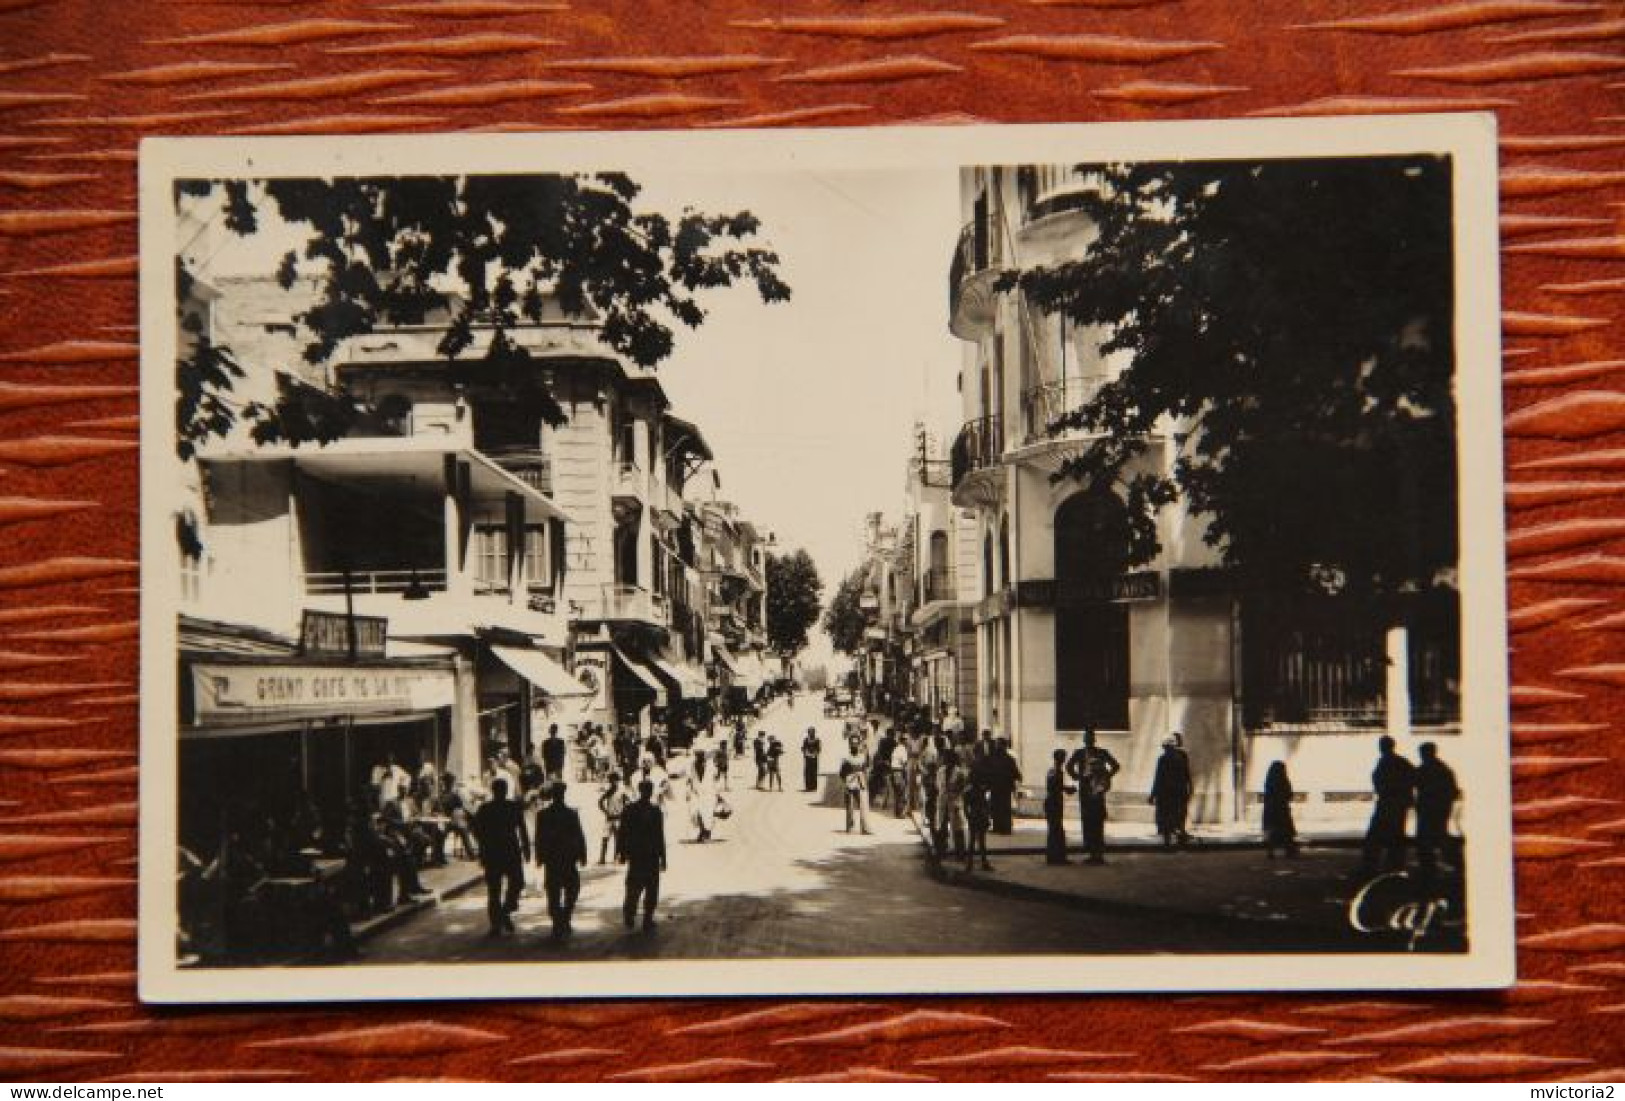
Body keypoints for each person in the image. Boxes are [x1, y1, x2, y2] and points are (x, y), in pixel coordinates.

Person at [470, 777, 530, 937]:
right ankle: (496, 923)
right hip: (501, 850)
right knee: (495, 890)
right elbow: (476, 830)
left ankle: (504, 913)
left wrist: (527, 848)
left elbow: (522, 828)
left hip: (501, 851)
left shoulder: (510, 807)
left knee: (516, 883)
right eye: (500, 789)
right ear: (497, 791)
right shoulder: (487, 808)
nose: (501, 792)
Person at [532, 781, 587, 940]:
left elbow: (578, 835)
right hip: (561, 858)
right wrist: (582, 854)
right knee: (565, 890)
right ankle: (561, 919)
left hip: (558, 858)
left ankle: (561, 918)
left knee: (562, 891)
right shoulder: (564, 814)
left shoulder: (549, 814)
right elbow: (540, 837)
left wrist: (539, 856)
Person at [1361, 735, 1416, 874]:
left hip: (1389, 802)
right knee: (1395, 834)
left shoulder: (1389, 762)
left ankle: (1372, 865)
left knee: (1376, 836)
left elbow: (1380, 780)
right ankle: (1393, 864)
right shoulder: (1400, 762)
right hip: (1396, 803)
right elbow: (1413, 778)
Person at [1065, 728, 1120, 865]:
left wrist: (1106, 777)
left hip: (1098, 790)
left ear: (1094, 739)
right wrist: (1078, 777)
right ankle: (1091, 851)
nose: (1088, 740)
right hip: (1085, 792)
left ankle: (1098, 853)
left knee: (1097, 820)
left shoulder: (1102, 752)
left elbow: (1116, 766)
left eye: (1090, 738)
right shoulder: (1079, 753)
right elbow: (1069, 766)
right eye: (1086, 738)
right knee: (1087, 821)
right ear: (1084, 740)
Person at [619, 779, 666, 932]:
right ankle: (643, 918)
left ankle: (634, 915)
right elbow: (659, 836)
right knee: (646, 887)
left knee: (637, 886)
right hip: (647, 855)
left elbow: (622, 833)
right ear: (648, 791)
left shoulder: (631, 809)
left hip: (640, 854)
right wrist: (663, 857)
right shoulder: (653, 811)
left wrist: (622, 852)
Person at [1414, 742, 1460, 875]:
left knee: (1424, 837)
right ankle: (1447, 861)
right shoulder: (1445, 769)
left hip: (1426, 808)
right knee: (1440, 833)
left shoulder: (1421, 770)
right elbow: (1453, 791)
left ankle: (1427, 865)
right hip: (1441, 808)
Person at [1149, 733, 1195, 848]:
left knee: (1166, 816)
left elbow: (1158, 778)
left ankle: (1168, 841)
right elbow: (1187, 773)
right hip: (1179, 791)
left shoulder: (1163, 759)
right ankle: (1180, 838)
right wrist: (1190, 787)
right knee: (1179, 815)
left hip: (1167, 793)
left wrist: (1153, 795)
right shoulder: (1182, 756)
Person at [1044, 748, 1075, 864]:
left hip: (1054, 801)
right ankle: (1056, 857)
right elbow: (1053, 786)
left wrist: (1065, 789)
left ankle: (1055, 856)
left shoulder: (1054, 770)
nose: (1063, 760)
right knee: (1055, 829)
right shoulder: (1055, 771)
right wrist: (1067, 789)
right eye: (1063, 757)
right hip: (1053, 802)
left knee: (1056, 829)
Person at [937, 748, 970, 860]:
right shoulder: (940, 771)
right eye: (945, 758)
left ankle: (960, 853)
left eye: (948, 758)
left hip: (955, 802)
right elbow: (939, 786)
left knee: (957, 828)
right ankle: (942, 851)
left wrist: (956, 794)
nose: (946, 760)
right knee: (941, 827)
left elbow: (964, 788)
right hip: (942, 801)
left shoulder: (959, 772)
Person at [1262, 761, 1298, 859]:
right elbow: (1289, 794)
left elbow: (1267, 796)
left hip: (1270, 810)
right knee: (1285, 831)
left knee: (1272, 831)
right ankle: (1289, 851)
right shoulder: (1284, 781)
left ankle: (1271, 851)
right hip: (1281, 810)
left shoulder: (1269, 781)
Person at [985, 738, 1022, 834]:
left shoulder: (1009, 759)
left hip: (1004, 787)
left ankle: (1005, 827)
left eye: (999, 745)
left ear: (1004, 746)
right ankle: (998, 827)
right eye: (997, 745)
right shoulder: (993, 758)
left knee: (1004, 807)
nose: (997, 747)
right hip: (997, 787)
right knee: (996, 807)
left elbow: (1016, 773)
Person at [839, 734, 873, 835]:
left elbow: (867, 767)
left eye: (856, 743)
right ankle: (850, 827)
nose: (854, 746)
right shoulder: (846, 758)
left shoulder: (863, 756)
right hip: (850, 782)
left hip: (861, 782)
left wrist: (867, 752)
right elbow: (842, 773)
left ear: (859, 744)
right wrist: (846, 782)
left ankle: (865, 828)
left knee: (864, 805)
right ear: (850, 745)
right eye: (852, 744)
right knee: (849, 806)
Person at [963, 770, 993, 872]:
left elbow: (966, 807)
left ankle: (971, 864)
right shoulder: (979, 790)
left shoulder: (970, 791)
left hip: (976, 816)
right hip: (978, 816)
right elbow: (966, 807)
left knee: (975, 841)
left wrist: (968, 816)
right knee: (979, 841)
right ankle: (980, 863)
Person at [596, 772, 629, 865]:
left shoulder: (621, 792)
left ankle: (617, 857)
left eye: (615, 780)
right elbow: (600, 802)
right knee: (605, 838)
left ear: (617, 781)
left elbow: (628, 803)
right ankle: (602, 858)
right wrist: (606, 812)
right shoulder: (608, 791)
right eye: (611, 781)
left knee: (618, 838)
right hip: (610, 818)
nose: (613, 782)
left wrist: (623, 812)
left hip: (618, 817)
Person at [687, 751, 719, 842]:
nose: (700, 757)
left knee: (707, 813)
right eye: (698, 755)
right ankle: (702, 831)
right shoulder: (692, 765)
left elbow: (716, 777)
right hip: (696, 792)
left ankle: (706, 832)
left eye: (701, 755)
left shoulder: (710, 765)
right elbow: (689, 779)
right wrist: (688, 791)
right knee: (697, 812)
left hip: (709, 792)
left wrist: (716, 791)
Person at [800, 726, 822, 793]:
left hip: (814, 758)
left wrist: (814, 754)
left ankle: (814, 787)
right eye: (809, 732)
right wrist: (806, 752)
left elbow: (819, 749)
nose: (810, 734)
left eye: (812, 732)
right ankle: (808, 786)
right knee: (807, 772)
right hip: (807, 758)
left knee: (814, 772)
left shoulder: (817, 740)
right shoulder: (806, 740)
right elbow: (803, 748)